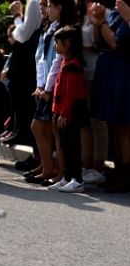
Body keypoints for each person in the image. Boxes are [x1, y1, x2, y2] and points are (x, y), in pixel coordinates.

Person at [26, 0, 79, 185]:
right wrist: (41, 85)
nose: (46, 9)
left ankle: (58, 171)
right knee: (45, 128)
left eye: (50, 5)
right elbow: (41, 59)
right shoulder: (50, 27)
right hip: (46, 85)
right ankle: (47, 167)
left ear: (60, 8)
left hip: (56, 86)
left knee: (49, 129)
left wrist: (48, 89)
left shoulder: (66, 30)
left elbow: (57, 62)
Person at [4, 0, 53, 150]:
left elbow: (23, 34)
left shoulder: (34, 2)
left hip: (26, 58)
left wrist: (17, 16)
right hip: (36, 56)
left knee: (22, 99)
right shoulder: (45, 1)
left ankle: (22, 134)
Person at [89, 0, 130, 192]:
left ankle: (126, 172)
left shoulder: (125, 12)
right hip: (109, 69)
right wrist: (99, 21)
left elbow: (117, 43)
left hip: (123, 72)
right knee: (114, 124)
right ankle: (118, 169)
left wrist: (101, 22)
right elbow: (101, 42)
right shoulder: (114, 11)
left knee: (123, 125)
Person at [44, 25, 89, 193]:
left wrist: (63, 114)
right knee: (64, 146)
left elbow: (70, 94)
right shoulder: (65, 61)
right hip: (63, 112)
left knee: (72, 147)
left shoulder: (72, 65)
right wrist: (56, 112)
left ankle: (77, 180)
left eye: (57, 42)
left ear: (67, 43)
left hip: (71, 113)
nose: (55, 46)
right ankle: (67, 177)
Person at [76, 0, 108, 185]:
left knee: (98, 121)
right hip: (78, 72)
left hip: (98, 71)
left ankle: (98, 166)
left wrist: (97, 23)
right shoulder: (76, 13)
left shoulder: (103, 11)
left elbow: (103, 44)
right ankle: (85, 164)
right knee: (83, 120)